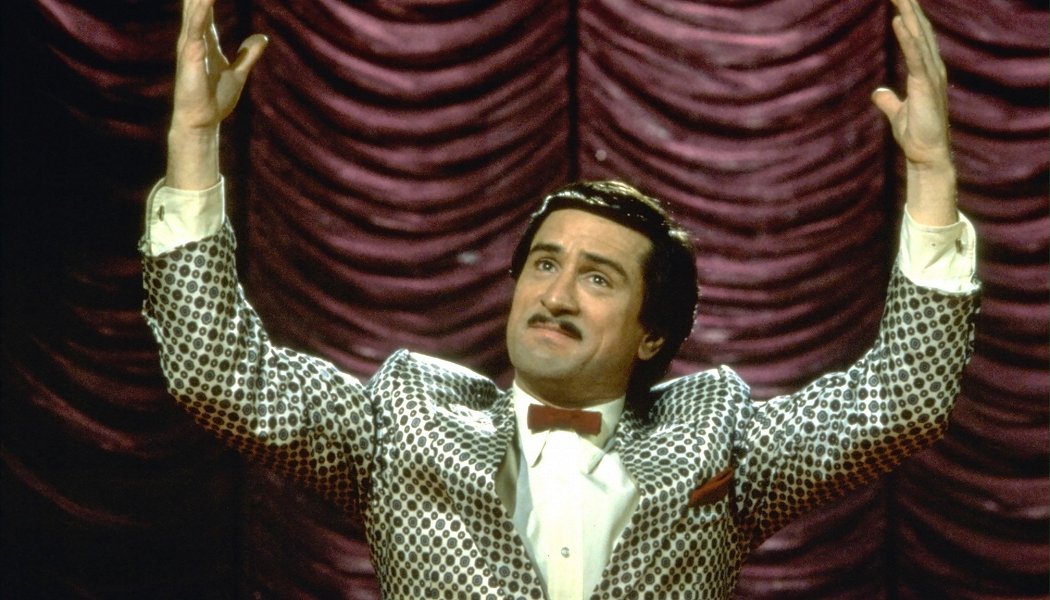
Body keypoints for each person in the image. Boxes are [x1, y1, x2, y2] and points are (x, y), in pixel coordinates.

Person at [141, 0, 979, 597]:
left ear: (651, 335)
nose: (557, 294)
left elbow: (901, 402)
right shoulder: (404, 420)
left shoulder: (719, 443)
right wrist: (193, 139)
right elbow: (218, 375)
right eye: (544, 264)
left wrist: (934, 174)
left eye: (599, 277)